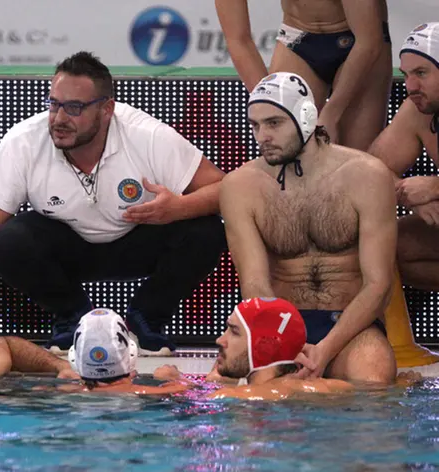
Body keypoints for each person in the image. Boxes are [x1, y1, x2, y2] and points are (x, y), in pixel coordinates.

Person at [0, 51, 226, 355]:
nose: (59, 118)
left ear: (106, 110)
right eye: (54, 104)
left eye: (74, 107)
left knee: (206, 230)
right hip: (68, 250)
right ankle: (71, 316)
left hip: (138, 240)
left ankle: (146, 318)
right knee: (5, 241)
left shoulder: (148, 136)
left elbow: (225, 189)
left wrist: (177, 208)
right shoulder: (23, 142)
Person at [219, 71, 398, 384]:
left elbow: (378, 286)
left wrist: (325, 349)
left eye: (274, 123)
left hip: (350, 325)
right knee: (256, 392)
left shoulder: (367, 176)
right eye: (255, 125)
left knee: (374, 377)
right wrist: (286, 344)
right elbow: (255, 285)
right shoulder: (240, 186)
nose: (262, 136)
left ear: (306, 119)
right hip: (277, 328)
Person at [215, 0, 391, 151]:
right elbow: (237, 39)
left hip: (359, 39)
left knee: (356, 164)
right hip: (298, 36)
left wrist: (331, 114)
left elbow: (368, 40)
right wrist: (269, 101)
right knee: (286, 150)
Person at [368, 23, 439, 368]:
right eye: (406, 74)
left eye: (422, 73)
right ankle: (401, 347)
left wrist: (435, 187)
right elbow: (370, 169)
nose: (410, 86)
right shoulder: (417, 111)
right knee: (385, 244)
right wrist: (411, 195)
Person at [157, 298, 353, 401]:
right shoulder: (335, 388)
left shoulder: (231, 397)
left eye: (234, 332)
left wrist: (179, 383)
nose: (220, 340)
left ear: (265, 347)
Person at [62, 308, 190, 395]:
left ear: (75, 359)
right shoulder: (168, 391)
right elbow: (203, 394)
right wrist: (178, 378)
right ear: (131, 353)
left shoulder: (62, 391)